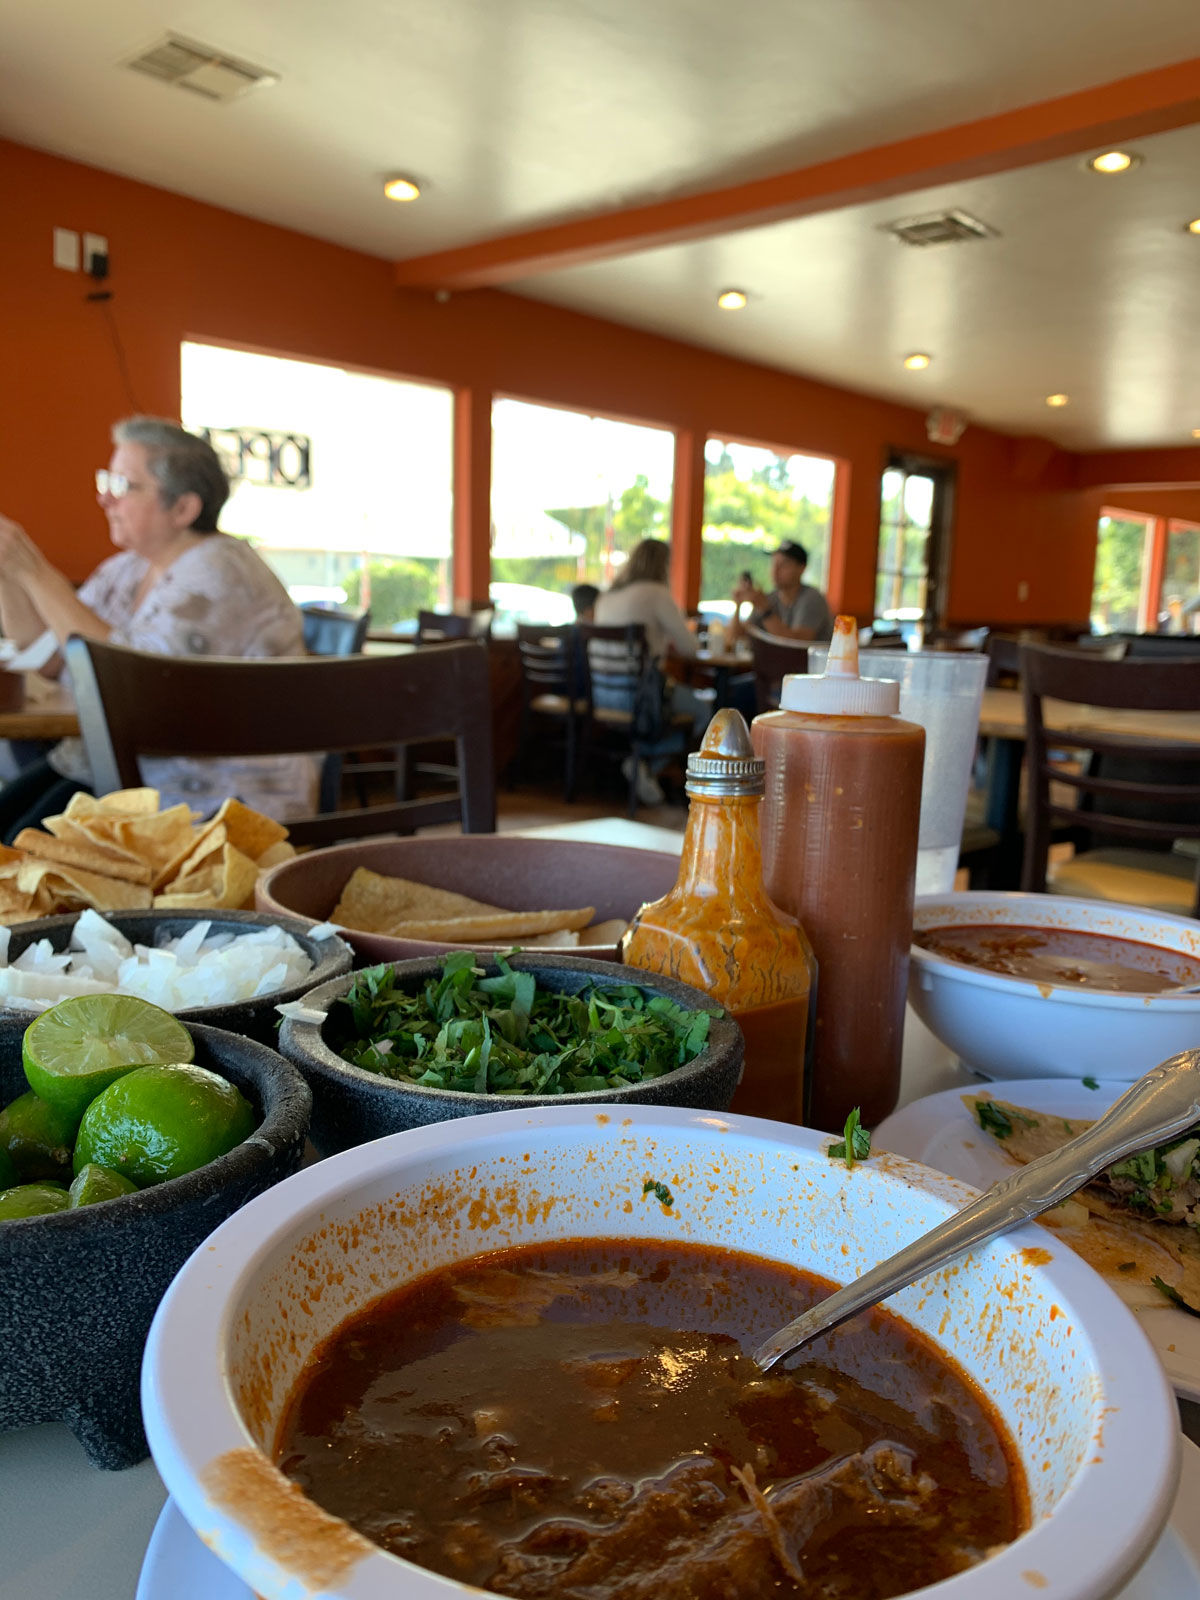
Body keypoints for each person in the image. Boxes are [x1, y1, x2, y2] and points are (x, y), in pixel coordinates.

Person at [0, 416, 313, 841]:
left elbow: (127, 685)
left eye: (123, 485)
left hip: (209, 796)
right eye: (106, 479)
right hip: (122, 767)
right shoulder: (125, 569)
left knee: (14, 853)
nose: (104, 498)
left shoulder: (219, 568)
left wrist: (35, 571)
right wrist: (10, 573)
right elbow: (51, 658)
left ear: (184, 508)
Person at [593, 540, 698, 806]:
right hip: (641, 701)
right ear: (663, 565)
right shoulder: (658, 594)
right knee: (705, 710)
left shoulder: (607, 595)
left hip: (600, 695)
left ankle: (641, 764)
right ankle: (646, 763)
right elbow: (690, 648)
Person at [727, 540, 834, 645]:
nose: (775, 570)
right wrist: (738, 605)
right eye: (774, 563)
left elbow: (798, 644)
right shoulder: (770, 598)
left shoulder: (812, 599)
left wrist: (765, 610)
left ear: (802, 568)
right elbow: (735, 637)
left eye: (784, 564)